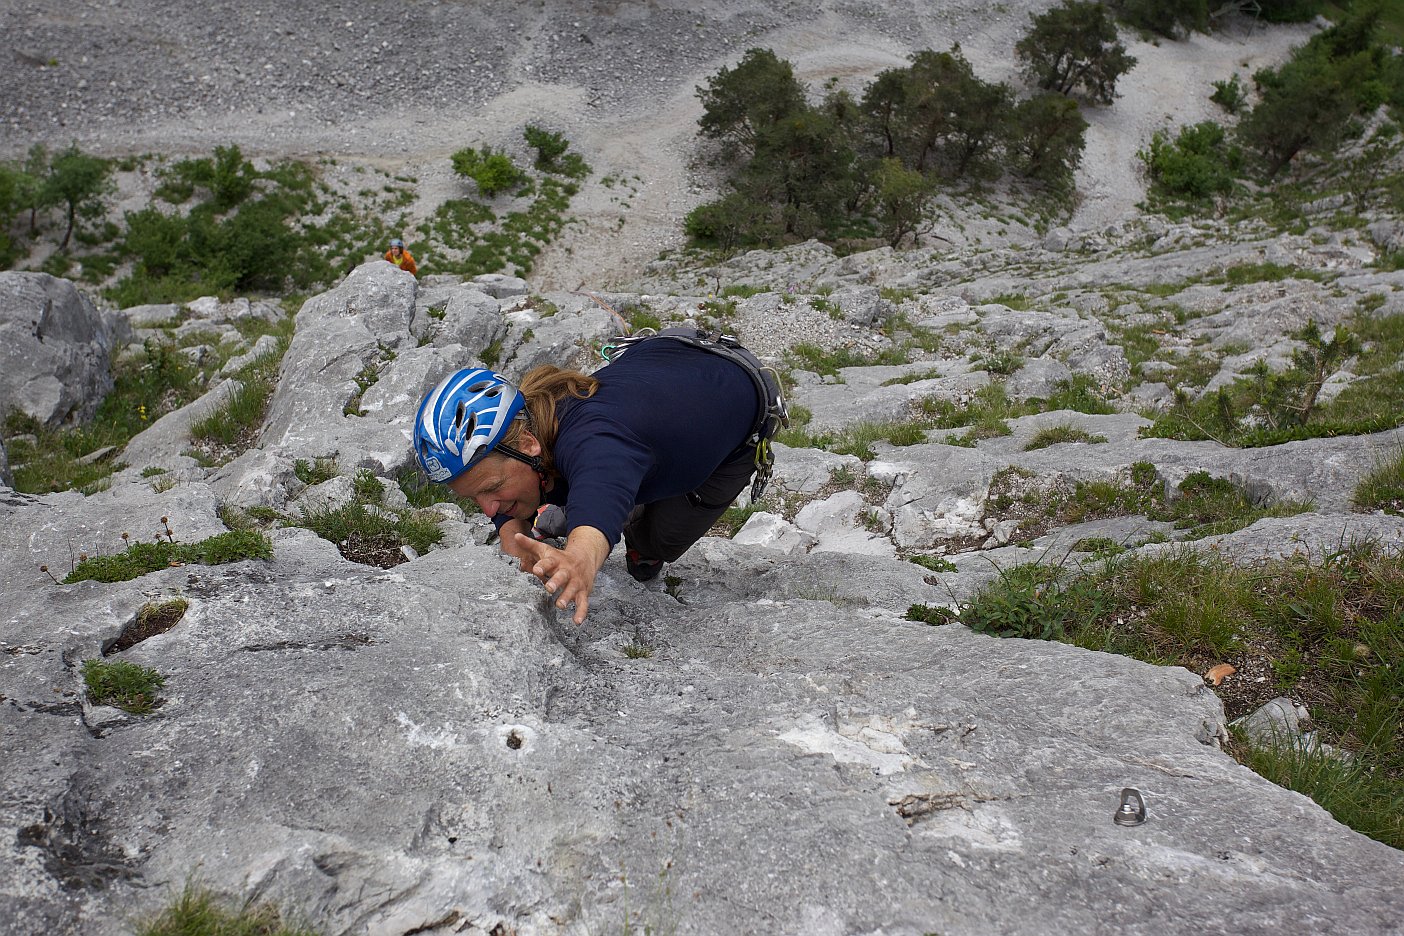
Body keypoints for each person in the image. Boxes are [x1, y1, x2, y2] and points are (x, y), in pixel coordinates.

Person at [412, 329, 786, 624]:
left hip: (735, 408)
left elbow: (599, 476)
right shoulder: (537, 422)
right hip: (668, 360)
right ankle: (594, 506)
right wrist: (512, 532)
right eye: (473, 498)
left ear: (527, 442)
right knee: (571, 485)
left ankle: (628, 519)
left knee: (661, 541)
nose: (487, 508)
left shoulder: (597, 441)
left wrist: (579, 560)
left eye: (491, 488)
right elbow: (512, 492)